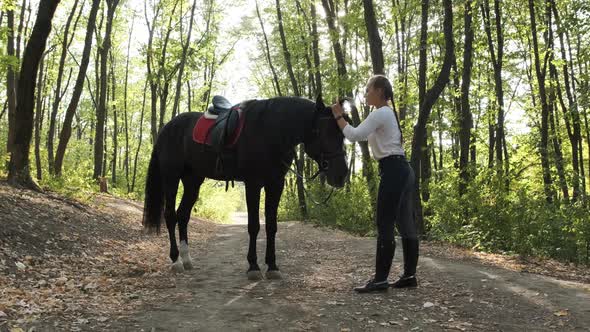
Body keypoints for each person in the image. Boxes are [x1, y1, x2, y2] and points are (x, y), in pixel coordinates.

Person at [331, 74, 419, 293]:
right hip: (403, 170)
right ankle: (409, 276)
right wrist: (345, 116)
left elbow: (354, 135)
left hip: (393, 171)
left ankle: (380, 280)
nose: (366, 92)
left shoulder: (381, 112)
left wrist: (337, 117)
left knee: (385, 224)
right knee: (406, 224)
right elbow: (361, 131)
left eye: (368, 89)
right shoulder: (385, 114)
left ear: (379, 91)